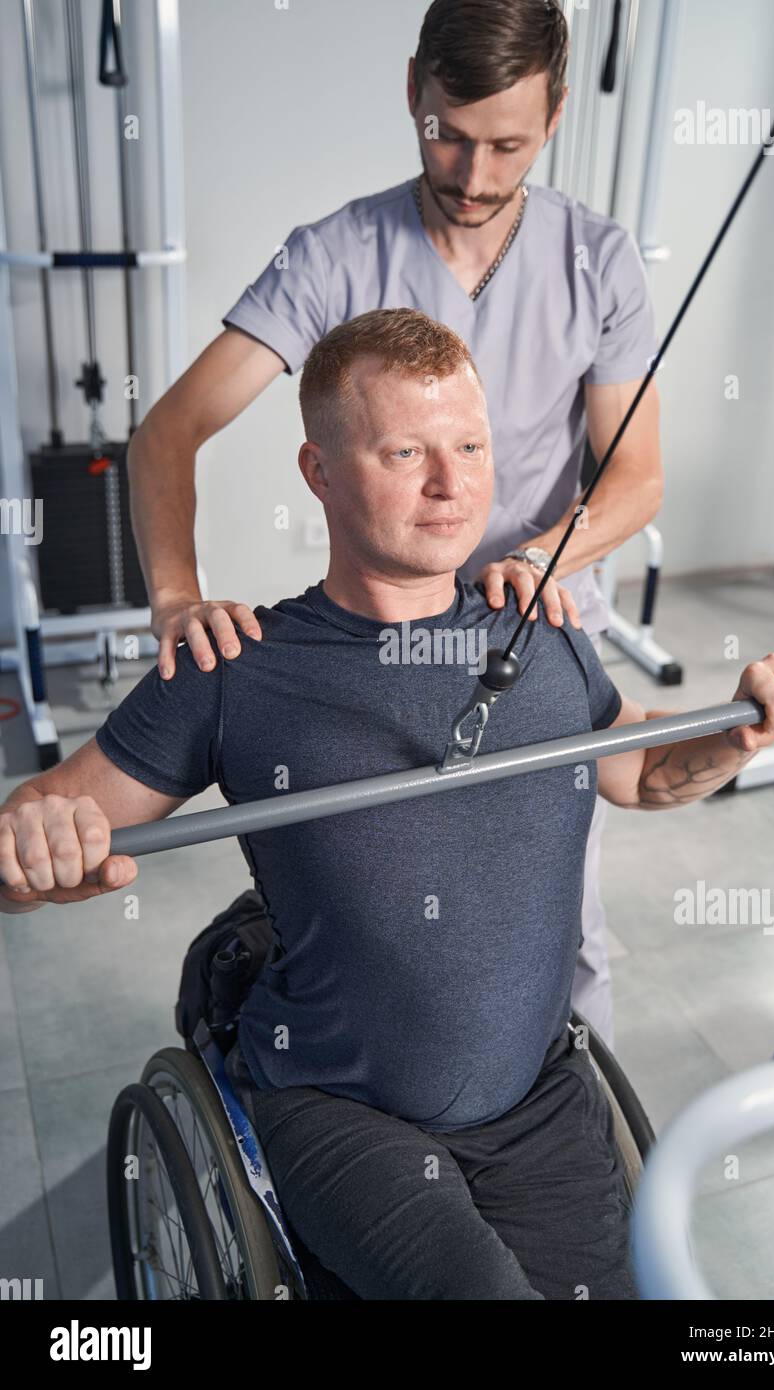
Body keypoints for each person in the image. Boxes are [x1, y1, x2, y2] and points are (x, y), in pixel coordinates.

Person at [0, 310, 774, 1301]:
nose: (452, 485)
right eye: (405, 451)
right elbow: (40, 831)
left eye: (470, 446)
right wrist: (32, 841)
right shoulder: (234, 666)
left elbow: (644, 772)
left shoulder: (541, 627)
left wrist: (737, 728)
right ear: (317, 471)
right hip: (342, 1110)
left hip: (534, 1093)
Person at [126, 0, 662, 1048]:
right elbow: (167, 432)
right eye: (447, 135)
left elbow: (634, 477)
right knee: (380, 920)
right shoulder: (332, 255)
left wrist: (531, 559)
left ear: (554, 112)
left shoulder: (596, 261)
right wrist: (176, 596)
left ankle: (560, 1123)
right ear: (410, 88)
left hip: (529, 627)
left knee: (563, 930)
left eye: (504, 144)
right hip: (374, 638)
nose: (470, 174)